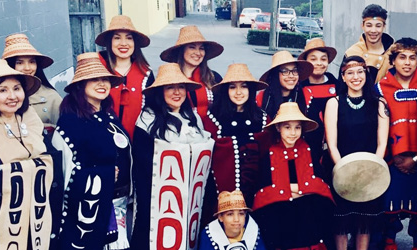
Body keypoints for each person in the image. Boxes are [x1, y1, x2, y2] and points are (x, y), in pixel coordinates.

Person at [0, 59, 55, 249]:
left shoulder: (31, 122)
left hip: (37, 227)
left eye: (17, 88)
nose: (12, 96)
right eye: (2, 90)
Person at [131, 63, 214, 249]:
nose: (177, 92)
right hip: (158, 201)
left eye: (181, 87)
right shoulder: (147, 119)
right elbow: (142, 167)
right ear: (160, 91)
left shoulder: (194, 119)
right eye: (170, 87)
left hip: (190, 201)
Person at [52, 52, 130, 250]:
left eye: (104, 79)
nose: (102, 84)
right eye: (94, 80)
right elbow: (64, 172)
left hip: (117, 202)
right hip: (89, 207)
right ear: (81, 85)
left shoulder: (108, 115)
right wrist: (104, 175)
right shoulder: (70, 121)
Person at [324, 56, 389, 250]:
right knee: (341, 223)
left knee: (364, 222)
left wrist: (372, 171)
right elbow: (332, 143)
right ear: (343, 77)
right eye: (350, 73)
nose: (355, 77)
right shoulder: (334, 103)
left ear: (366, 75)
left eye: (360, 72)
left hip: (370, 172)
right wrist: (345, 171)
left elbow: (382, 142)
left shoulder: (379, 103)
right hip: (340, 169)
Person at [376, 37, 417, 250]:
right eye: (402, 57)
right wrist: (395, 158)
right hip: (392, 160)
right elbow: (376, 129)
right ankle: (390, 241)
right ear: (393, 61)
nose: (408, 62)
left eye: (413, 58)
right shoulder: (380, 89)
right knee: (390, 204)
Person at [251, 102, 334, 250]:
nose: (293, 132)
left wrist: (291, 189)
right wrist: (298, 189)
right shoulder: (269, 155)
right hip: (280, 217)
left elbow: (320, 188)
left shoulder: (309, 151)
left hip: (307, 215)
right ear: (278, 128)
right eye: (287, 127)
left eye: (297, 127)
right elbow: (264, 195)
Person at [202, 63, 268, 205]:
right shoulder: (213, 118)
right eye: (233, 87)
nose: (238, 92)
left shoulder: (261, 118)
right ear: (226, 90)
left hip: (255, 187)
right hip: (222, 191)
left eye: (243, 86)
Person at [96, 15, 154, 141]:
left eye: (129, 38)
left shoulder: (146, 75)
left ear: (135, 43)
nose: (123, 43)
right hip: (103, 143)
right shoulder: (96, 71)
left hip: (138, 144)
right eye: (117, 38)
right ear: (109, 42)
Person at [2, 33, 62, 144]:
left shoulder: (50, 96)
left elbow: (64, 132)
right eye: (19, 62)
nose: (27, 68)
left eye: (32, 62)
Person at [160, 25, 224, 118]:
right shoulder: (168, 79)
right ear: (181, 51)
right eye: (192, 47)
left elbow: (224, 107)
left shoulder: (214, 77)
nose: (198, 53)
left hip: (214, 130)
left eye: (201, 48)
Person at [297, 38, 340, 169]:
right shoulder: (299, 87)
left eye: (323, 59)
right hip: (306, 145)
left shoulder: (337, 86)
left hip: (335, 146)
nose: (319, 63)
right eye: (313, 59)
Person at [198, 190, 267, 250]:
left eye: (241, 213)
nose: (236, 219)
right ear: (220, 217)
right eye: (230, 214)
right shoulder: (210, 234)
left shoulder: (252, 232)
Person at [344, 4, 394, 82]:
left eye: (378, 26)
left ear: (384, 27)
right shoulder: (352, 52)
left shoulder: (394, 53)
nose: (373, 30)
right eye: (369, 25)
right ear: (362, 26)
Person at [257, 50, 313, 118]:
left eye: (294, 71)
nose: (291, 76)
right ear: (275, 75)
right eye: (285, 71)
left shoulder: (306, 94)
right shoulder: (262, 97)